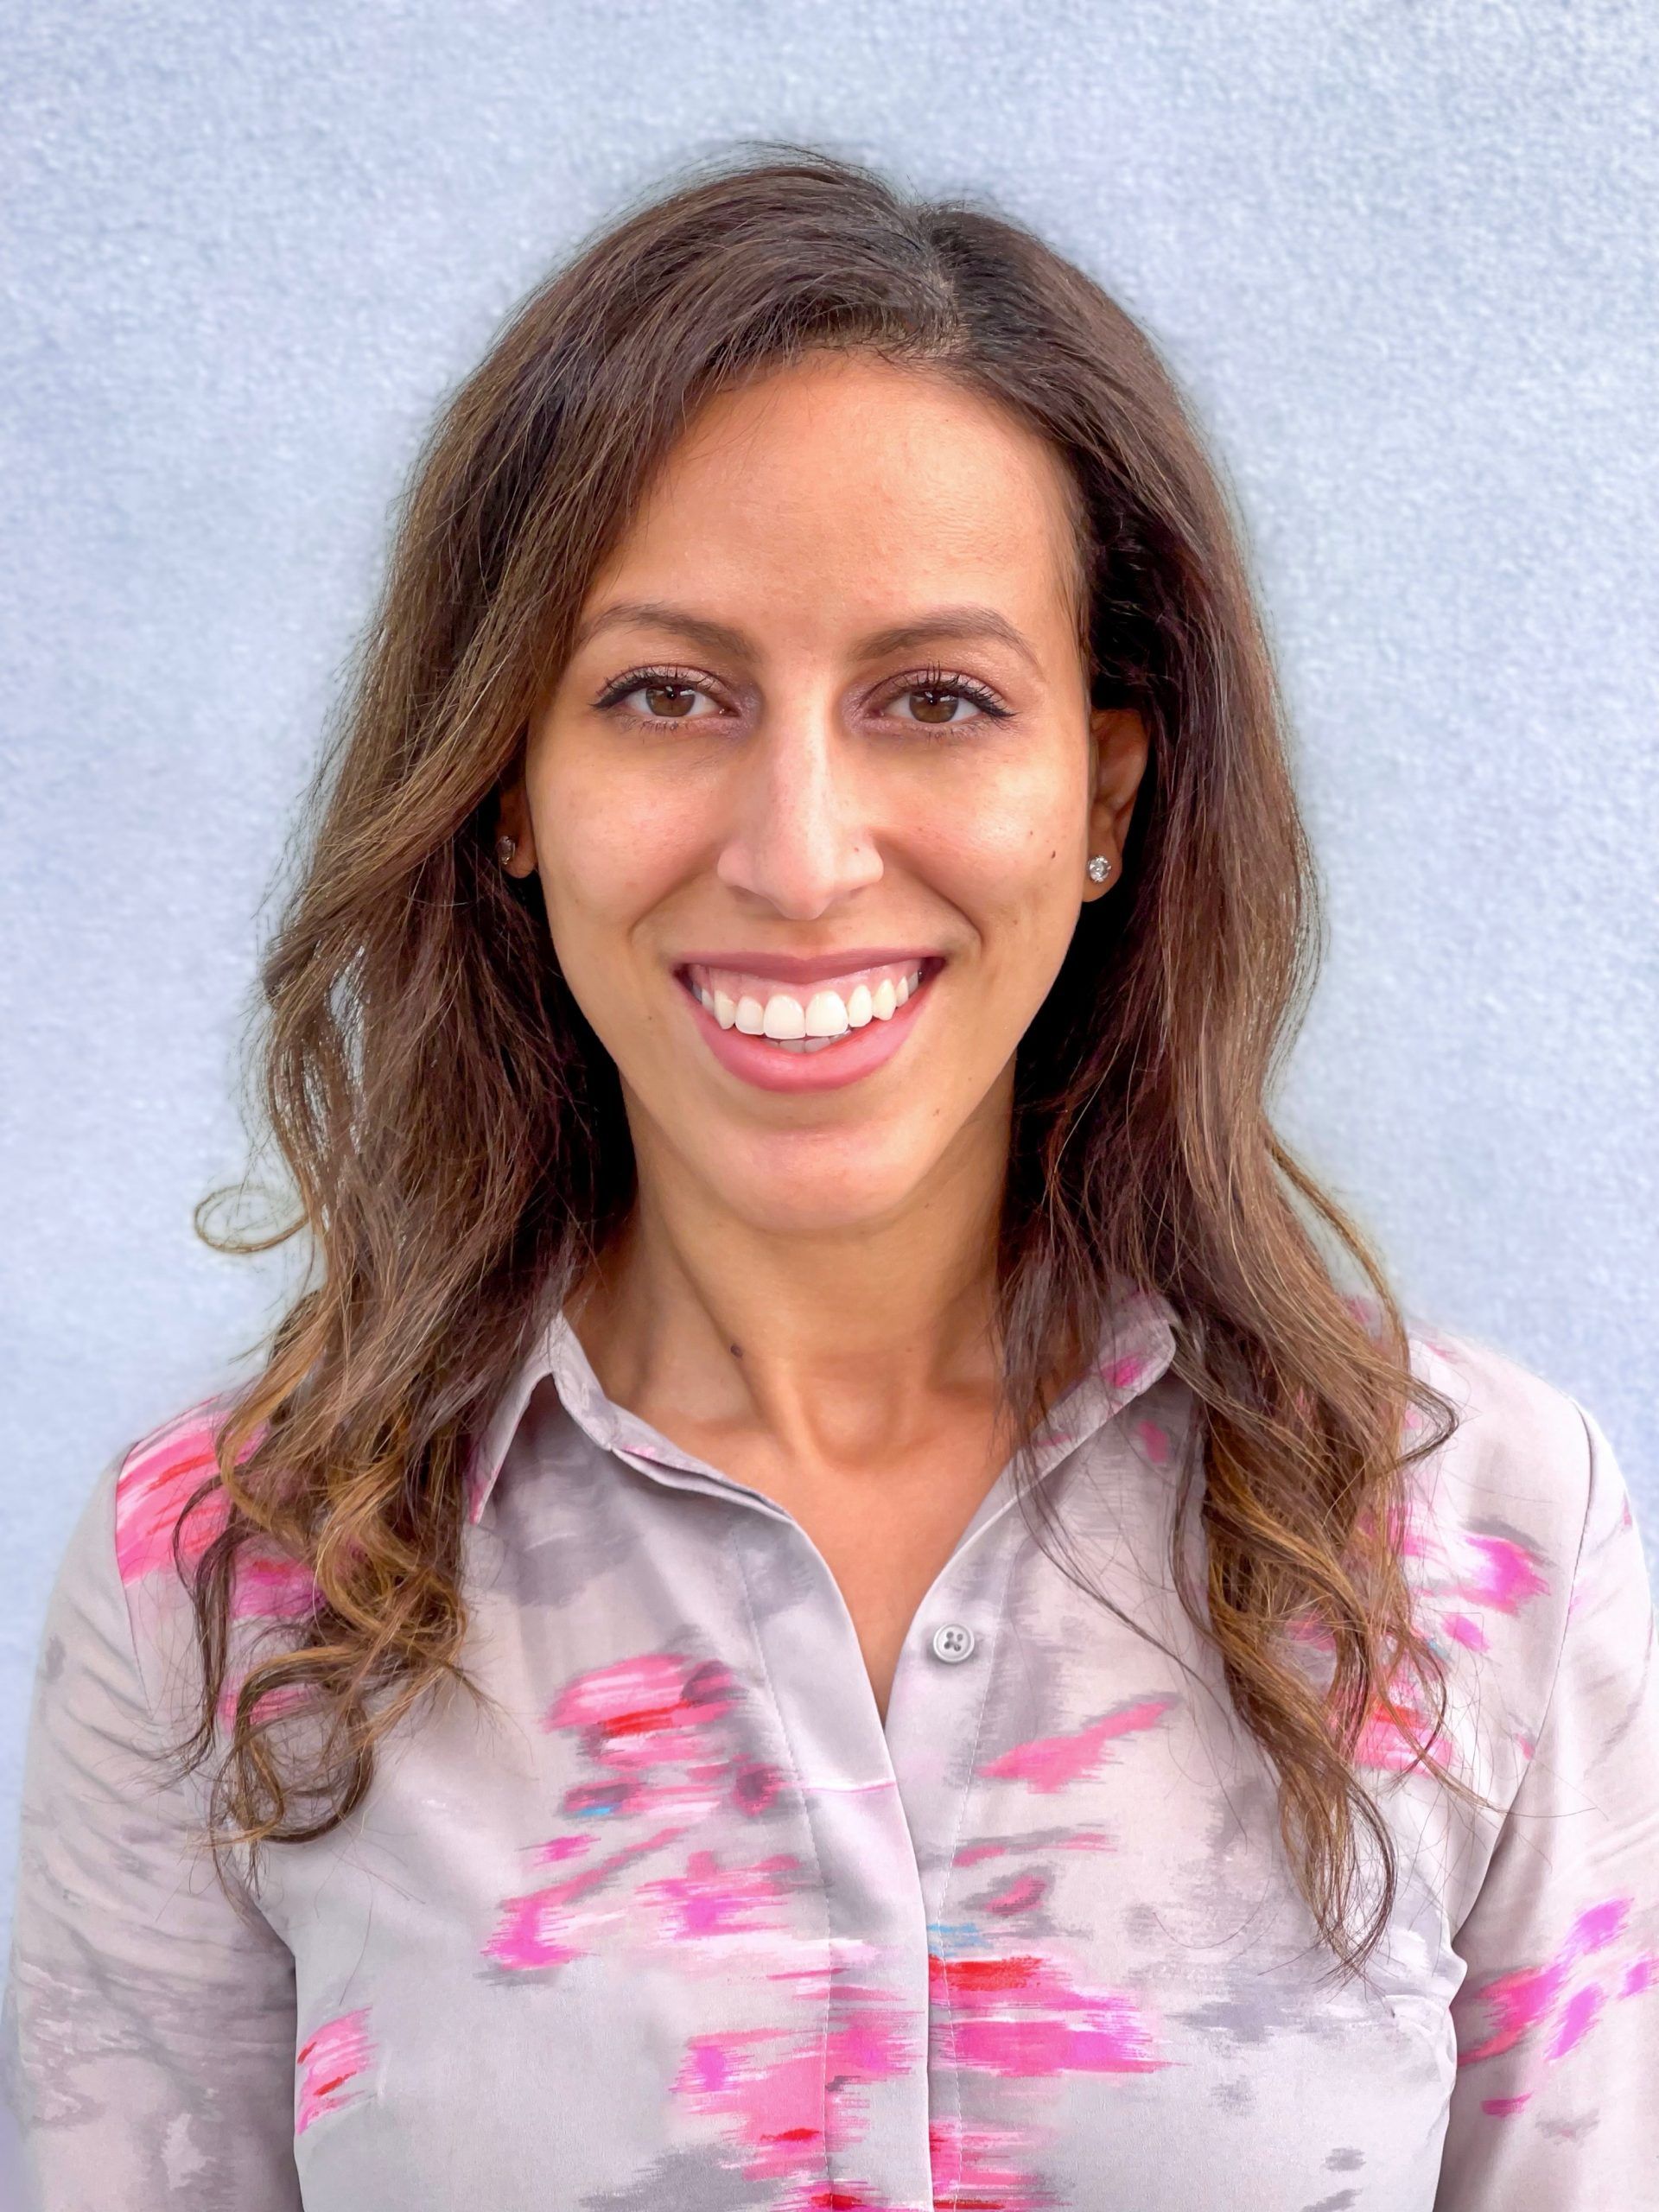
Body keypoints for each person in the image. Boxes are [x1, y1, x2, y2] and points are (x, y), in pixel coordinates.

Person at [4, 146, 1656, 2212]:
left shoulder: (1472, 1534)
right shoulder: (223, 1584)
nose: (799, 854)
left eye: (939, 699)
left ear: (1107, 798)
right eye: (667, 693)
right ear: (508, 785)